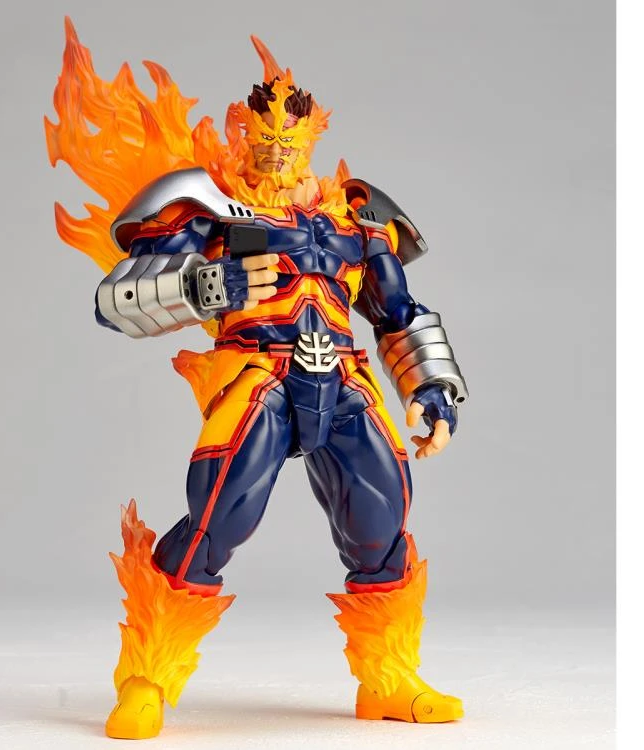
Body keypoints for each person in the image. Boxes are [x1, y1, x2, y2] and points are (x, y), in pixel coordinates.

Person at [47, 21, 468, 740]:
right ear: (242, 133)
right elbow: (118, 299)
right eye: (263, 136)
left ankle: (389, 677)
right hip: (258, 373)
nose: (276, 149)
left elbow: (397, 312)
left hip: (346, 379)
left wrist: (433, 388)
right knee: (218, 517)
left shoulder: (356, 219)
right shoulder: (207, 206)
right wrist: (213, 284)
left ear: (313, 137)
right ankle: (147, 678)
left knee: (383, 518)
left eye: (289, 139)